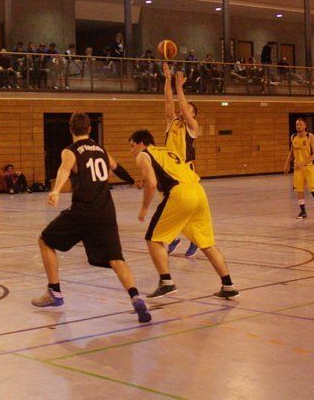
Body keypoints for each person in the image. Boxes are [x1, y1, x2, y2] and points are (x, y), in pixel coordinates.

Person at [33, 112, 151, 323]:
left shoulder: (71, 151)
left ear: (71, 129)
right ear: (89, 129)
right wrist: (132, 181)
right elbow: (116, 168)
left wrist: (56, 191)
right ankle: (136, 298)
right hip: (105, 212)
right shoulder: (101, 151)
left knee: (45, 240)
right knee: (116, 259)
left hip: (82, 211)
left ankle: (55, 292)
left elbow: (64, 169)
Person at [129, 129, 239, 300]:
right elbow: (167, 172)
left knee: (153, 239)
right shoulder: (166, 151)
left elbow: (151, 184)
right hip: (199, 191)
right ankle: (228, 285)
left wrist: (144, 208)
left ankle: (166, 283)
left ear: (141, 144)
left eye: (132, 146)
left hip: (180, 194)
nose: (131, 150)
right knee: (207, 243)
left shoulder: (143, 155)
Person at [161, 64, 200, 258]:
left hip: (185, 171)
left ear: (193, 114)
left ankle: (195, 239)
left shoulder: (193, 126)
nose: (185, 109)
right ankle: (174, 238)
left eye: (189, 109)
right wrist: (168, 79)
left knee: (187, 208)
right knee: (168, 208)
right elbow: (169, 102)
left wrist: (179, 87)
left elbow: (182, 106)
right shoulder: (173, 122)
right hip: (169, 171)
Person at [283, 118, 314, 219]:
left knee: (312, 189)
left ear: (305, 126)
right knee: (299, 189)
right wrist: (287, 163)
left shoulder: (311, 137)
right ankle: (303, 212)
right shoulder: (293, 137)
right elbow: (291, 152)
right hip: (298, 168)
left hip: (309, 167)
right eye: (297, 124)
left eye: (300, 124)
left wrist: (303, 163)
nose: (298, 126)